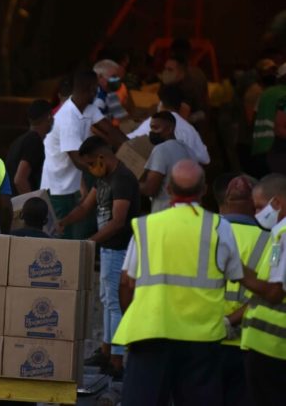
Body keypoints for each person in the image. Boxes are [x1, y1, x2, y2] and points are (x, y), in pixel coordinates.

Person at [114, 160, 243, 405]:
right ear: (204, 190)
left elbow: (126, 283)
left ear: (168, 189)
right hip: (201, 338)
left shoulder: (147, 226)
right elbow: (234, 276)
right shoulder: (220, 226)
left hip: (150, 332)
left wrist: (132, 318)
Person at [57, 136, 140, 379]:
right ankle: (105, 351)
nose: (90, 169)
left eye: (91, 163)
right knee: (106, 300)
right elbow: (85, 207)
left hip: (119, 248)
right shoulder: (103, 178)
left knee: (114, 303)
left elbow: (118, 222)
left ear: (102, 158)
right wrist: (63, 222)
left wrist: (90, 241)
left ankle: (116, 360)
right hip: (107, 249)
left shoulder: (122, 179)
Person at [41, 69, 126, 238]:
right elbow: (78, 160)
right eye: (96, 88)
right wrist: (110, 171)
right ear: (92, 90)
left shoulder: (88, 109)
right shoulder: (67, 118)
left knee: (78, 232)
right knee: (64, 237)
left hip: (75, 183)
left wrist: (132, 149)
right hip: (59, 188)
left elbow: (110, 130)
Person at [213, 174, 268, 406]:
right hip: (249, 342)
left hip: (204, 338)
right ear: (255, 204)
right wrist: (232, 320)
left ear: (223, 200)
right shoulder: (273, 240)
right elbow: (271, 292)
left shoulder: (203, 233)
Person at [238, 173, 286, 406]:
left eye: (259, 207)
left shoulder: (284, 236)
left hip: (273, 348)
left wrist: (238, 273)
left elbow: (275, 292)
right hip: (264, 344)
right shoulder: (277, 236)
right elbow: (270, 279)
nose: (257, 214)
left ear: (277, 202)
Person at [127, 85, 210, 164]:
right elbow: (205, 159)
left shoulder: (155, 121)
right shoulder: (190, 129)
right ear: (180, 106)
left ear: (161, 104)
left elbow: (128, 139)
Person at [139, 111, 195, 212]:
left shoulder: (161, 149)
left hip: (166, 213)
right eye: (151, 128)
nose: (152, 132)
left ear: (169, 129)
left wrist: (131, 184)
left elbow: (150, 189)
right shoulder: (189, 151)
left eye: (156, 128)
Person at [5, 99, 52, 195]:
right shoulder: (34, 141)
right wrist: (33, 202)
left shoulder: (19, 141)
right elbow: (19, 179)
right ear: (49, 118)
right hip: (22, 202)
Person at [252, 63, 286, 176]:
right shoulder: (284, 95)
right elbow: (280, 128)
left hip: (259, 148)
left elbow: (253, 118)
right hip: (277, 150)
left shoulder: (266, 93)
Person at [93, 59, 128, 124]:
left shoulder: (110, 93)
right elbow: (98, 126)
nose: (117, 79)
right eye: (113, 76)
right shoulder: (98, 99)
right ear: (99, 77)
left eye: (118, 76)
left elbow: (120, 116)